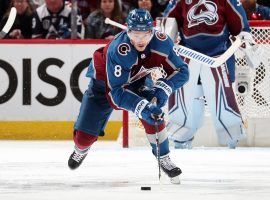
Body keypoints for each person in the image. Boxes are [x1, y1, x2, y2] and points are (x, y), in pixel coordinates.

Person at [68, 8, 189, 183]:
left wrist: (164, 88)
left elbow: (182, 71)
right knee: (83, 139)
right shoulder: (119, 50)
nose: (140, 40)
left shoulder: (162, 43)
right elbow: (116, 94)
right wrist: (141, 107)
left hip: (137, 80)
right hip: (104, 85)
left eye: (145, 34)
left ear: (152, 31)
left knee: (154, 113)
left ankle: (164, 157)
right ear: (128, 31)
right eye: (135, 35)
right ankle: (80, 150)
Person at [163, 0, 253, 149]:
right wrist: (165, 38)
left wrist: (245, 38)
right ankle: (181, 137)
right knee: (186, 98)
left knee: (223, 100)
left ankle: (232, 138)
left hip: (218, 57)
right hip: (188, 56)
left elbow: (241, 26)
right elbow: (168, 23)